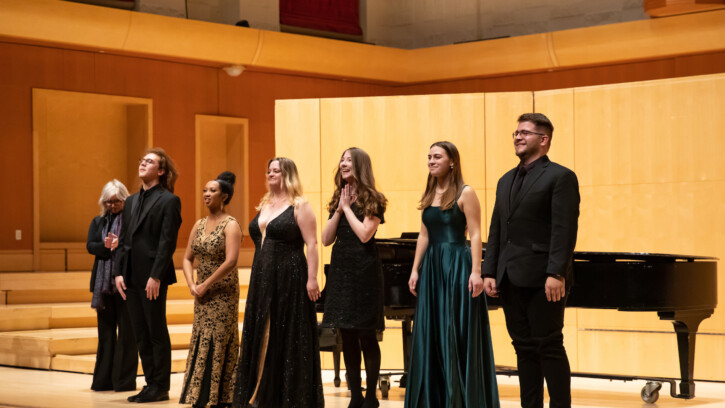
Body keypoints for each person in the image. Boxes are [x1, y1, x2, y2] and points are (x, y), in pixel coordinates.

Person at [483, 113, 580, 408]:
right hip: (510, 276)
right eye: (515, 132)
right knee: (523, 348)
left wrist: (556, 272)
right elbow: (497, 228)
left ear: (543, 139)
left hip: (543, 278)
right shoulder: (505, 180)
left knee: (549, 346)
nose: (517, 137)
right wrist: (490, 270)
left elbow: (564, 229)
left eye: (525, 132)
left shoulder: (560, 176)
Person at [405, 141, 499, 408]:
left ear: (452, 162)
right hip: (433, 266)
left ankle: (457, 398)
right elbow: (424, 234)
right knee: (432, 329)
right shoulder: (430, 192)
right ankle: (434, 397)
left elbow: (477, 233)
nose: (431, 161)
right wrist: (415, 269)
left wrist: (476, 271)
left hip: (456, 266)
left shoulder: (465, 192)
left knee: (452, 329)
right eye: (429, 157)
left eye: (437, 157)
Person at [233, 157, 324, 408]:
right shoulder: (264, 204)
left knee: (284, 333)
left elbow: (312, 244)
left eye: (277, 171)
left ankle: (285, 397)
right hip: (261, 276)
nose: (271, 174)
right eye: (269, 170)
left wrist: (313, 278)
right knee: (260, 329)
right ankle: (259, 394)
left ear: (288, 175)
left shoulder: (299, 205)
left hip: (290, 276)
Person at [114, 147, 182, 403]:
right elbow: (123, 240)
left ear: (161, 171)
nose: (143, 163)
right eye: (142, 160)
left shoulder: (168, 200)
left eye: (150, 161)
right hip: (130, 275)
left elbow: (167, 242)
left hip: (153, 277)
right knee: (140, 332)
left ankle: (160, 386)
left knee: (155, 331)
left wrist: (156, 276)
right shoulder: (131, 201)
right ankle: (150, 383)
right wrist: (119, 272)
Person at [321, 147, 387, 408]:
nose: (343, 163)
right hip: (341, 271)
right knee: (346, 335)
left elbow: (364, 234)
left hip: (365, 272)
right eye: (342, 159)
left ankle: (371, 396)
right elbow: (326, 239)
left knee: (366, 334)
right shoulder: (339, 197)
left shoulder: (374, 199)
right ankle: (355, 396)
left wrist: (347, 208)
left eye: (348, 160)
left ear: (360, 165)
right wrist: (338, 209)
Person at [180, 172, 243, 408]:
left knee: (218, 337)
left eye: (212, 191)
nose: (206, 194)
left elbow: (231, 261)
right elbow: (186, 258)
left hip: (223, 292)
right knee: (201, 336)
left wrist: (207, 283)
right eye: (205, 190)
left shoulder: (232, 224)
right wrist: (191, 284)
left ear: (224, 196)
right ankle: (201, 394)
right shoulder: (198, 224)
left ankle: (223, 396)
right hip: (202, 293)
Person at [86, 179, 138, 392]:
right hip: (103, 285)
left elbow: (136, 247)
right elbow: (91, 246)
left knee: (126, 334)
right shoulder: (98, 222)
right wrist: (107, 247)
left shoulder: (132, 221)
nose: (112, 205)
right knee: (106, 334)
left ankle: (123, 381)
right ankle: (103, 381)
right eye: (108, 202)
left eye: (116, 201)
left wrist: (121, 245)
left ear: (124, 199)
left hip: (125, 282)